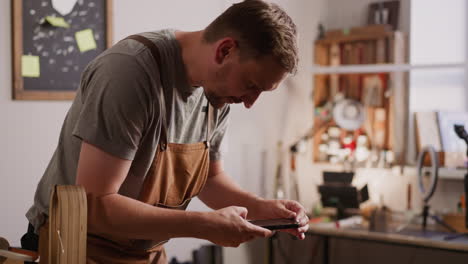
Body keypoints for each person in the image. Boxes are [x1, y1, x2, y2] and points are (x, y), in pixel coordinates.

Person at [22, 0, 309, 263]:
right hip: (75, 246)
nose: (249, 102)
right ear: (224, 51)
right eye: (251, 85)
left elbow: (210, 178)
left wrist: (261, 209)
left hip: (145, 252)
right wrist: (203, 225)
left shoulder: (217, 93)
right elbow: (94, 205)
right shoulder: (130, 72)